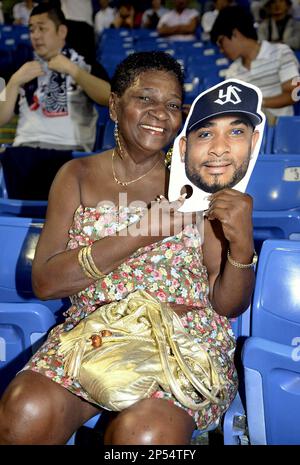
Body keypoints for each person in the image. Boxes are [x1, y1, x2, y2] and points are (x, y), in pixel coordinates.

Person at [0, 51, 255, 445]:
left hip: (183, 343)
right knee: (24, 410)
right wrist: (140, 232)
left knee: (145, 435)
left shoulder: (197, 182)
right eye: (145, 99)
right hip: (94, 336)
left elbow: (229, 305)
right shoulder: (76, 176)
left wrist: (240, 245)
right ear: (115, 105)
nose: (160, 113)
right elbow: (45, 283)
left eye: (172, 105)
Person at [0, 3, 110, 200]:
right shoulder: (23, 69)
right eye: (32, 29)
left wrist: (73, 71)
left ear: (61, 31)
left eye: (42, 28)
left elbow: (109, 98)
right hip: (23, 154)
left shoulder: (85, 64)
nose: (35, 35)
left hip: (69, 155)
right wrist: (14, 82)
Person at [168, 78, 264, 212]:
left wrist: (242, 232)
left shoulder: (270, 197)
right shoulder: (156, 199)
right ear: (183, 147)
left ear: (253, 142)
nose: (219, 149)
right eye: (205, 134)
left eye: (236, 132)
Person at [210, 5, 299, 125]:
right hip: (248, 133)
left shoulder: (281, 52)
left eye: (221, 42)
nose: (221, 50)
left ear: (235, 33)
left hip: (281, 132)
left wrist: (258, 103)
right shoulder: (232, 72)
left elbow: (294, 94)